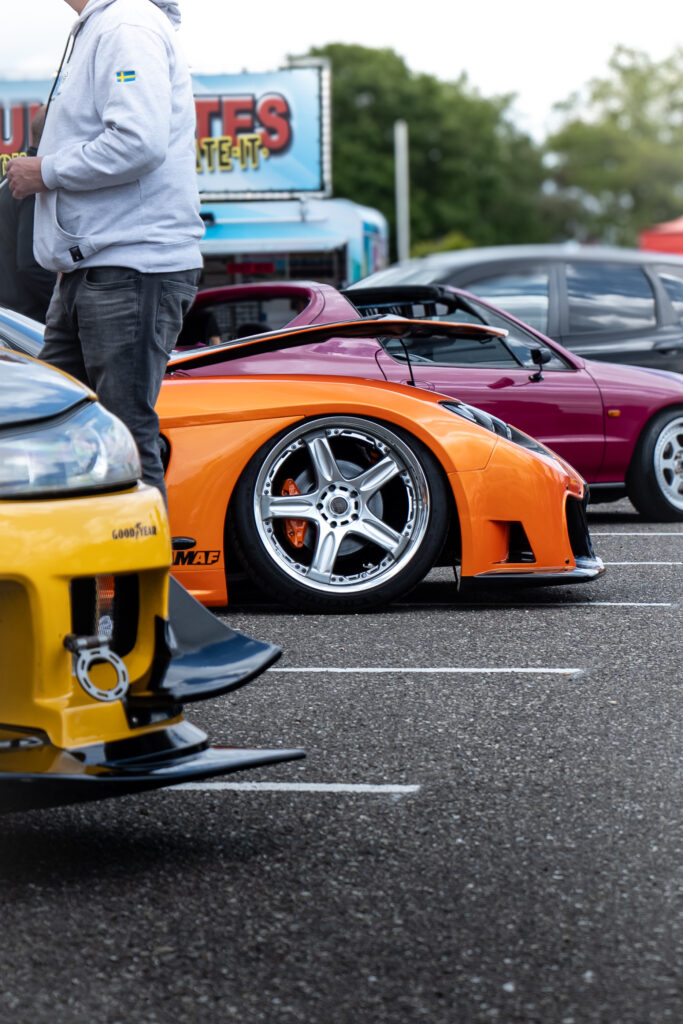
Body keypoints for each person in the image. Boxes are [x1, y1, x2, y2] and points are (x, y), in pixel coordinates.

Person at [6, 0, 204, 501]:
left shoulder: (126, 23)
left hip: (128, 267)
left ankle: (142, 555)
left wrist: (44, 170)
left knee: (120, 435)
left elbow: (138, 142)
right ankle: (85, 553)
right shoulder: (108, 25)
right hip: (99, 268)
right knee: (56, 431)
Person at [0, 106, 57, 322]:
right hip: (29, 321)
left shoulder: (10, 181)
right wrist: (66, 308)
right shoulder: (34, 186)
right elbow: (31, 265)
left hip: (13, 315)